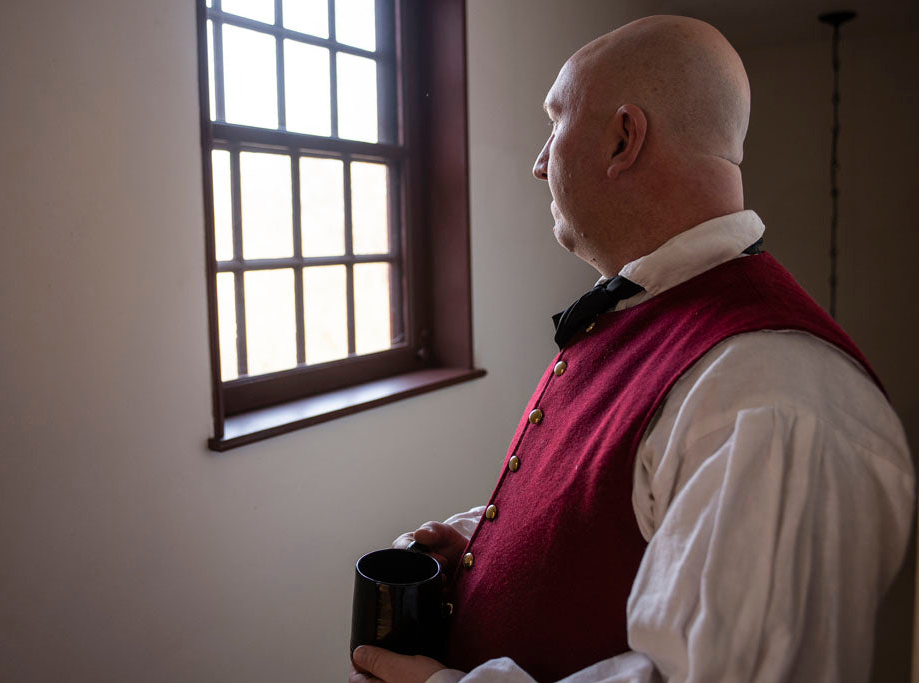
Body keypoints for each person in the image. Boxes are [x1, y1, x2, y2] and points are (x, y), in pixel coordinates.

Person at [350, 15, 914, 683]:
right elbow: (632, 518)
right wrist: (486, 541)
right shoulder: (655, 320)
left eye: (554, 123)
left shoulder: (772, 395)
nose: (538, 163)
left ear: (623, 139)